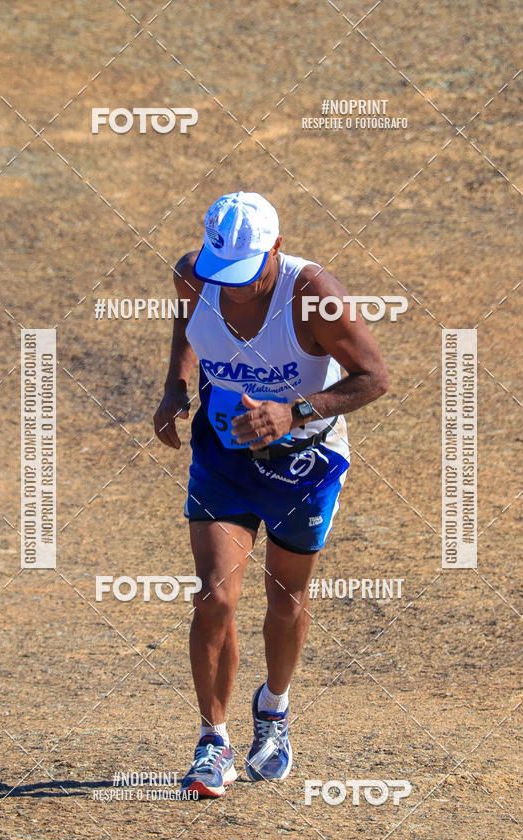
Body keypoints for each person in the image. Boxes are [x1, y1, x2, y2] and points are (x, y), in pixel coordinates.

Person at [153, 191, 388, 798]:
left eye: (245, 273)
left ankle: (274, 708)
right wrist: (177, 384)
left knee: (286, 599)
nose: (230, 288)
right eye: (220, 272)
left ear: (276, 249)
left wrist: (295, 411)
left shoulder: (313, 296)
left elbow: (374, 378)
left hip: (305, 464)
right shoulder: (195, 274)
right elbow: (189, 322)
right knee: (214, 595)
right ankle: (213, 742)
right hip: (224, 456)